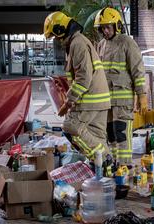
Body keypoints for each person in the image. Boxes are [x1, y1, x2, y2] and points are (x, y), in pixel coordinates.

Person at [44, 11, 110, 158]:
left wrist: (68, 103)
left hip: (90, 100)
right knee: (96, 135)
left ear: (60, 29)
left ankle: (105, 157)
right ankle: (104, 168)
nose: (56, 39)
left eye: (55, 35)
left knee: (70, 127)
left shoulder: (77, 43)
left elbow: (83, 77)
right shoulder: (76, 42)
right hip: (99, 100)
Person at [95, 7, 147, 164]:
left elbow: (137, 70)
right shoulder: (101, 45)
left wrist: (142, 95)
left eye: (108, 27)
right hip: (106, 101)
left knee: (121, 133)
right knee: (110, 134)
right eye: (102, 28)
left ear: (117, 25)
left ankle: (125, 166)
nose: (105, 31)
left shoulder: (127, 42)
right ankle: (116, 164)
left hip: (123, 100)